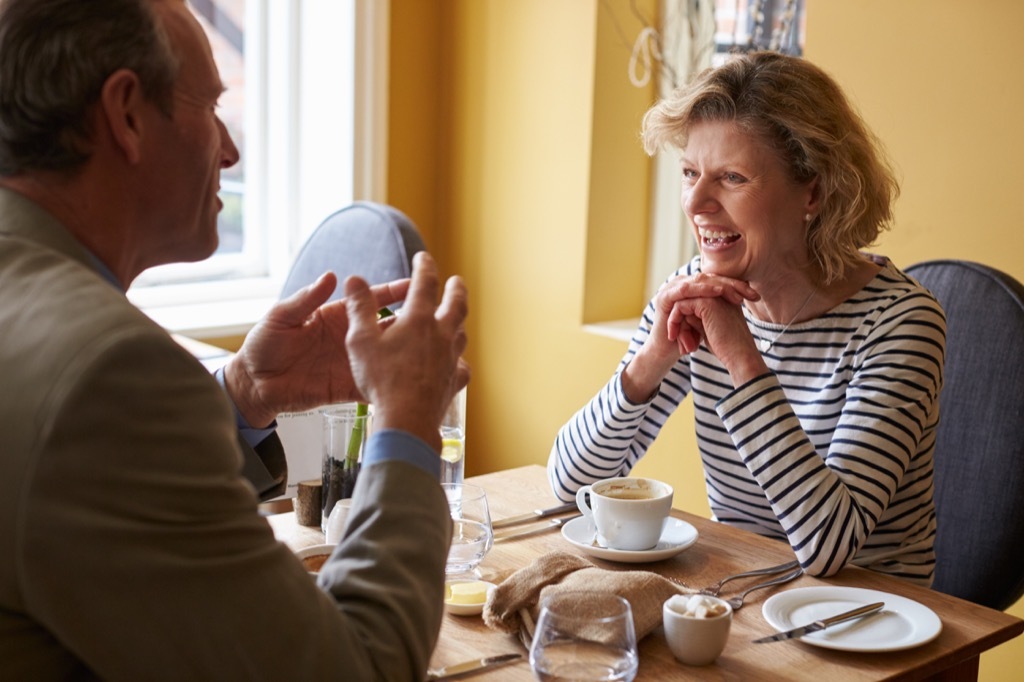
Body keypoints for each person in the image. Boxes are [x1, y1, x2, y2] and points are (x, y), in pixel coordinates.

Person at [0, 0, 468, 679]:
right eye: (210, 107)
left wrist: (242, 395)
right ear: (127, 113)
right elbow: (354, 670)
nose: (230, 149)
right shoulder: (110, 373)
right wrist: (407, 422)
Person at [548, 51, 945, 586]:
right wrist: (650, 361)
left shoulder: (901, 324)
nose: (695, 202)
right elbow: (570, 483)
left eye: (731, 177)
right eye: (690, 173)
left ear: (814, 192)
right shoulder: (697, 290)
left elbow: (828, 546)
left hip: (873, 624)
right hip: (743, 598)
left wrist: (741, 358)